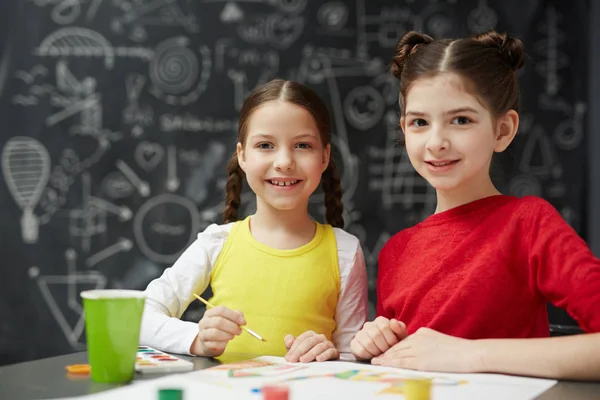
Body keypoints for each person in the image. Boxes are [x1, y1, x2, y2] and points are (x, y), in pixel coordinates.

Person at [350, 30, 600, 380]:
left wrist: (471, 353)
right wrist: (374, 344)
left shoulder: (528, 224)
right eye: (420, 122)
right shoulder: (396, 252)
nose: (436, 142)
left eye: (461, 120)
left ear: (502, 131)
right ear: (404, 129)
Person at [140, 79, 368, 363]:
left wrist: (330, 355)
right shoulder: (216, 243)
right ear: (242, 156)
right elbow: (141, 315)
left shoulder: (344, 251)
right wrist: (196, 339)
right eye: (265, 145)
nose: (284, 161)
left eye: (302, 145)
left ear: (324, 156)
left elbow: (354, 360)